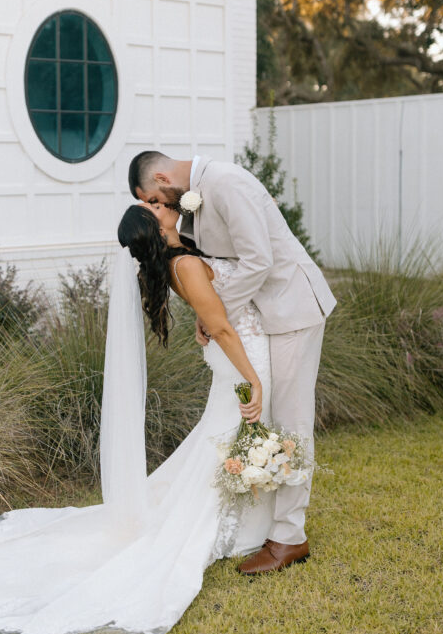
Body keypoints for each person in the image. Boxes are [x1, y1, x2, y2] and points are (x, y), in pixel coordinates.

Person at [0, 201, 272, 634]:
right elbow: (218, 323)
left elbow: (215, 313)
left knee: (222, 436)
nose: (163, 207)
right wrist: (252, 378)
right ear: (154, 230)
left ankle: (247, 516)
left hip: (240, 355)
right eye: (155, 207)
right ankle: (234, 523)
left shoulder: (181, 258)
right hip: (243, 361)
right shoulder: (185, 264)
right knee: (227, 432)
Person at [129, 150, 336, 575]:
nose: (157, 208)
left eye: (152, 199)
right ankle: (272, 526)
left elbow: (259, 260)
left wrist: (215, 313)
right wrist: (211, 315)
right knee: (272, 418)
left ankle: (288, 539)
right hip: (264, 317)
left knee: (293, 421)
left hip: (292, 308)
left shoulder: (225, 182)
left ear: (162, 177)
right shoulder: (194, 199)